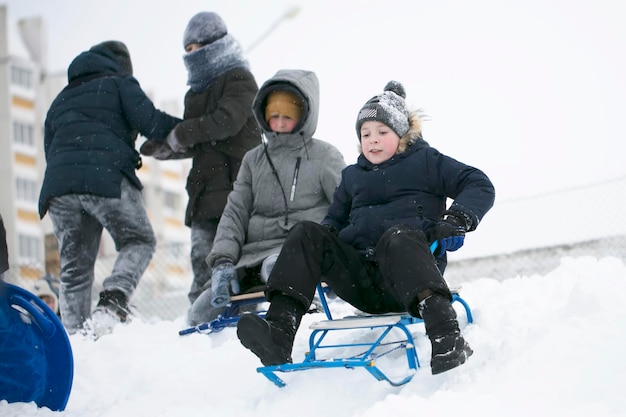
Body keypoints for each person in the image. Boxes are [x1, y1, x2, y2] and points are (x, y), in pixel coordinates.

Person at [236, 81, 496, 375]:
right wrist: (320, 249)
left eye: (382, 132)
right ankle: (279, 333)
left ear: (401, 134)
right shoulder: (352, 177)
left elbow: (478, 183)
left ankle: (446, 334)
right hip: (360, 282)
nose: (372, 140)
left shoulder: (426, 161)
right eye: (365, 133)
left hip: (408, 279)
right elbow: (332, 223)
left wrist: (456, 220)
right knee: (306, 232)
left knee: (399, 236)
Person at [38, 40, 182, 334]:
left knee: (75, 269)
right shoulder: (119, 83)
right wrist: (192, 129)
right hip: (105, 176)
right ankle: (113, 300)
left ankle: (76, 341)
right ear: (122, 64)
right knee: (138, 240)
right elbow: (151, 122)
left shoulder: (60, 101)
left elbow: (50, 150)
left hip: (59, 188)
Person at [186, 69, 346, 325]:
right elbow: (235, 212)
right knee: (201, 310)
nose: (280, 123)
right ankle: (200, 333)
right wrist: (223, 260)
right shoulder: (254, 160)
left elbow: (345, 207)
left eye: (287, 116)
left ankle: (294, 301)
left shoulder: (325, 157)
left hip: (301, 253)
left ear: (304, 115)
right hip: (251, 258)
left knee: (279, 265)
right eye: (274, 116)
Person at [140, 12, 260, 306]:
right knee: (201, 259)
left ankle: (242, 319)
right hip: (204, 191)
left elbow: (225, 122)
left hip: (237, 189)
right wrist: (168, 147)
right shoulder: (194, 93)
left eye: (196, 49)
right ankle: (200, 324)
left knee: (237, 263)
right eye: (188, 51)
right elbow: (201, 140)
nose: (191, 56)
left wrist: (180, 134)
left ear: (214, 44)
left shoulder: (239, 78)